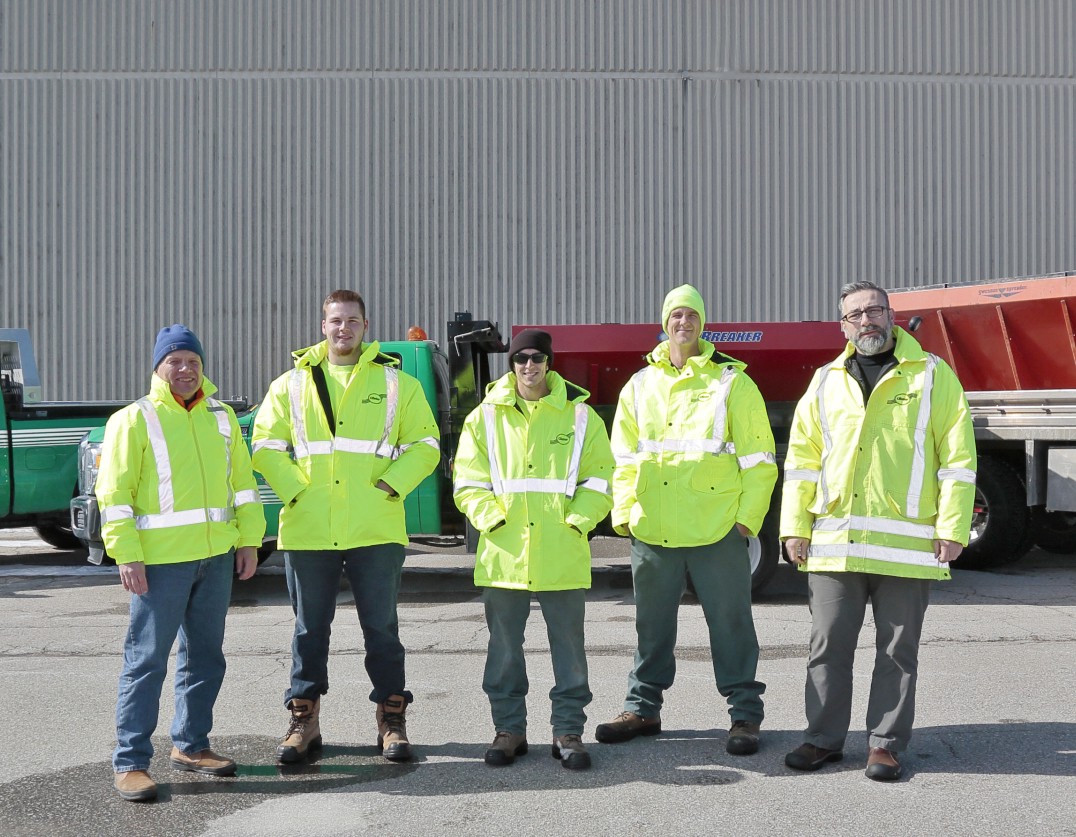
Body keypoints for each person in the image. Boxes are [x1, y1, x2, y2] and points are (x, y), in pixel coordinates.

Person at [781, 280, 976, 781]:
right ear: (842, 325)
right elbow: (802, 460)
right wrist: (794, 526)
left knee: (897, 651)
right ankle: (822, 740)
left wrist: (953, 526)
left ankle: (885, 745)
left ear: (891, 315)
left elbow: (956, 459)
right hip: (834, 541)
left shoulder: (933, 375)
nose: (866, 319)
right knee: (827, 646)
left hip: (905, 545)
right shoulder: (826, 380)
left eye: (875, 310)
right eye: (855, 314)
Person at [251, 290, 439, 764]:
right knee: (309, 630)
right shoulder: (290, 385)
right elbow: (265, 445)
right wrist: (297, 491)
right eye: (335, 321)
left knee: (381, 629)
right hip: (309, 527)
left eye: (352, 321)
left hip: (374, 527)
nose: (343, 329)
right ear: (323, 325)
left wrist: (390, 487)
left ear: (365, 325)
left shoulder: (396, 384)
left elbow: (426, 444)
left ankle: (391, 720)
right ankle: (304, 720)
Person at [595, 284, 778, 756]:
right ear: (665, 322)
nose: (683, 323)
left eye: (691, 315)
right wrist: (624, 515)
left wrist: (745, 523)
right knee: (651, 626)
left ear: (702, 323)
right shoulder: (640, 385)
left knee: (731, 623)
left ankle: (744, 715)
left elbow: (760, 460)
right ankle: (643, 708)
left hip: (716, 528)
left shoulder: (732, 382)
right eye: (675, 315)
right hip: (653, 527)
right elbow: (623, 457)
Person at [98, 324, 265, 802]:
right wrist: (126, 553)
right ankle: (130, 762)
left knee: (206, 658)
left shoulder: (221, 418)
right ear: (158, 367)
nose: (186, 369)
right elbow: (114, 495)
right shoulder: (134, 420)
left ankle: (191, 744)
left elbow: (243, 484)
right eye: (175, 361)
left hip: (214, 559)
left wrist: (249, 541)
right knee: (147, 661)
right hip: (160, 563)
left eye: (193, 360)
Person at [453, 330, 615, 770]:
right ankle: (509, 730)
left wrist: (575, 523)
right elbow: (467, 483)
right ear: (511, 363)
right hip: (504, 555)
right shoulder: (484, 418)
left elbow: (601, 479)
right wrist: (494, 521)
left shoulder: (581, 417)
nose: (528, 365)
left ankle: (568, 732)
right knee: (504, 651)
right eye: (520, 358)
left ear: (549, 362)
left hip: (561, 551)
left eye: (536, 358)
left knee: (569, 651)